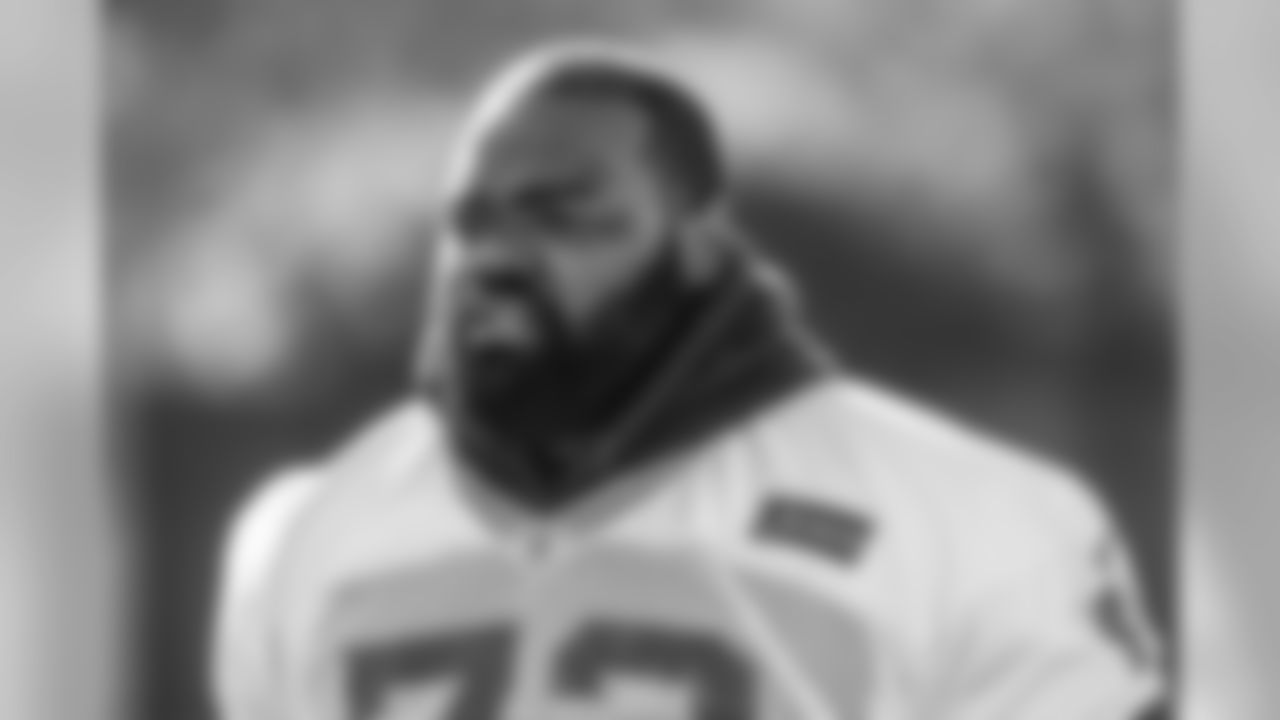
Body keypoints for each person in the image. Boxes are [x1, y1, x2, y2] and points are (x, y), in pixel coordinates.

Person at [211, 42, 1164, 720]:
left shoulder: (972, 518)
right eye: (474, 223)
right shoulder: (308, 527)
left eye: (564, 214)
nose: (498, 257)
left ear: (700, 247)